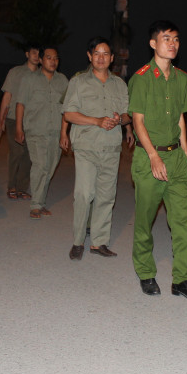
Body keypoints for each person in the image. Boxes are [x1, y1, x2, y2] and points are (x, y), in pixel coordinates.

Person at [127, 20, 187, 299]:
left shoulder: (181, 78)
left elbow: (181, 120)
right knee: (145, 219)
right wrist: (152, 157)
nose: (172, 43)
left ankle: (182, 279)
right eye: (166, 38)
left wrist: (186, 155)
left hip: (175, 158)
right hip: (149, 158)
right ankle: (146, 272)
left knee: (181, 221)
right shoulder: (142, 77)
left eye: (176, 39)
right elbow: (138, 121)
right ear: (153, 43)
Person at [62, 37, 130, 259]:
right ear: (90, 56)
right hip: (86, 147)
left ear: (111, 59)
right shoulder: (78, 82)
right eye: (96, 54)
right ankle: (78, 241)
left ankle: (99, 242)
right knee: (83, 194)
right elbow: (69, 114)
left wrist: (121, 119)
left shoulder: (119, 84)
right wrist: (97, 120)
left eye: (105, 54)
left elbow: (128, 115)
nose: (101, 58)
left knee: (106, 196)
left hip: (111, 148)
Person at [15, 44, 68, 219]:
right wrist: (18, 127)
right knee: (40, 166)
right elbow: (20, 103)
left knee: (50, 167)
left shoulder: (63, 81)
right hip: (36, 130)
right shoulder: (29, 79)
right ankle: (36, 205)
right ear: (40, 59)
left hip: (56, 131)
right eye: (49, 58)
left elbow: (67, 109)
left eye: (56, 58)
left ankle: (41, 201)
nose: (53, 61)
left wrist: (64, 133)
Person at [0, 43, 42, 200]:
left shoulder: (42, 76)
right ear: (27, 54)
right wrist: (0, 119)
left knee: (29, 155)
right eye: (34, 52)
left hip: (32, 121)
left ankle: (22, 187)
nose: (36, 56)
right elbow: (7, 96)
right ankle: (12, 186)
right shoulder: (15, 72)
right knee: (17, 152)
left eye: (39, 53)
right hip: (14, 118)